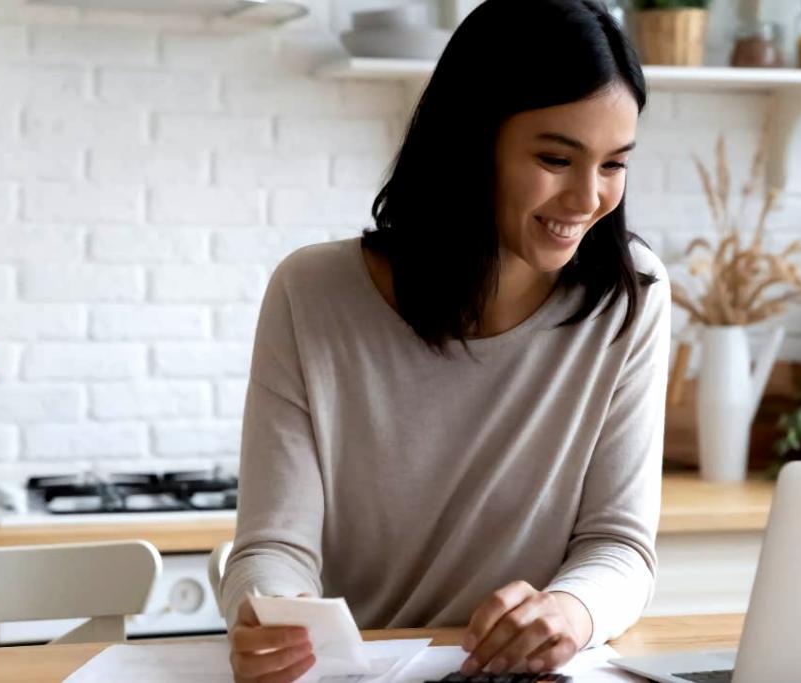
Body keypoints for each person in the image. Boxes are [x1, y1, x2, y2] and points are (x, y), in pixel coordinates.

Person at [218, 1, 671, 681]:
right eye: (556, 157)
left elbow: (620, 545)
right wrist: (274, 613)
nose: (588, 197)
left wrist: (571, 610)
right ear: (471, 140)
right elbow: (273, 545)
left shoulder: (629, 296)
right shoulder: (312, 294)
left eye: (613, 164)